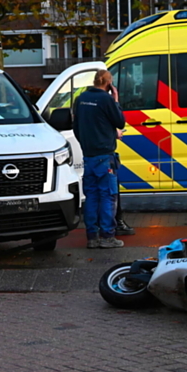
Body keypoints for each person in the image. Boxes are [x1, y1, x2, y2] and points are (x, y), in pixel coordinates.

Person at [73, 69, 126, 249]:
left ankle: (92, 237)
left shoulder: (80, 99)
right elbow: (120, 122)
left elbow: (77, 127)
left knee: (91, 197)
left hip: (89, 156)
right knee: (107, 196)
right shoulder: (106, 99)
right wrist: (116, 100)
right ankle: (107, 236)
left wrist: (88, 144)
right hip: (105, 156)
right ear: (108, 84)